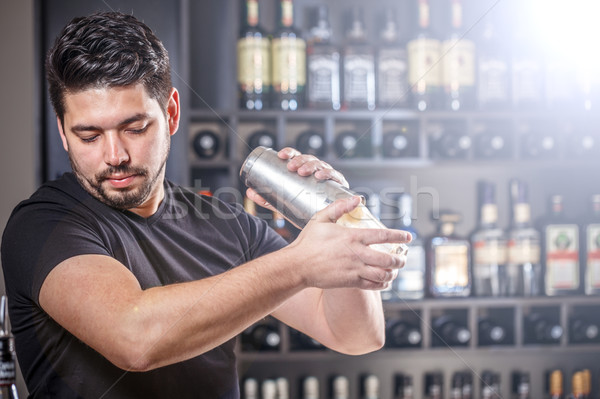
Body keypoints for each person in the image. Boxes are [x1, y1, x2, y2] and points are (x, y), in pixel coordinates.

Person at [0, 11, 410, 399]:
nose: (115, 155)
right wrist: (301, 264)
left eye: (135, 128)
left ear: (172, 113)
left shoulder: (226, 223)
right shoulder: (42, 226)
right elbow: (135, 338)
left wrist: (334, 224)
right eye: (89, 136)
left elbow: (356, 335)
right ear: (63, 132)